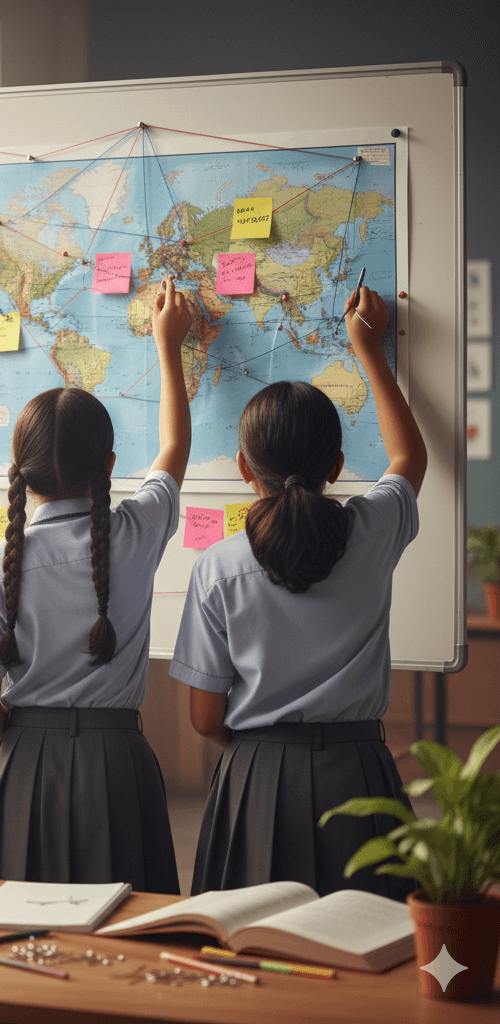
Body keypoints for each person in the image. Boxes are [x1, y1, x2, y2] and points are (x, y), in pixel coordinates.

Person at [170, 286, 427, 899]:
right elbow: (408, 456)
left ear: (243, 469)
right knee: (370, 938)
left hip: (256, 776)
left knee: (252, 940)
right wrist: (368, 347)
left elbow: (204, 717)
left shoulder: (218, 567)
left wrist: (264, 749)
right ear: (337, 466)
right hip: (360, 774)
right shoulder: (373, 530)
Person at [0, 277, 193, 894]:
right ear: (109, 466)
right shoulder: (137, 532)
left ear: (21, 472)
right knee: (121, 921)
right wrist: (168, 347)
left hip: (24, 763)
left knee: (18, 917)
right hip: (117, 764)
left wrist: (35, 740)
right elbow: (175, 446)